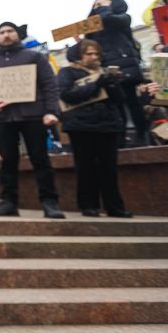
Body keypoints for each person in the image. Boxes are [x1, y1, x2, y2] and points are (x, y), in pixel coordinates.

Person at [0, 22, 65, 219]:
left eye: (10, 31)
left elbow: (49, 86)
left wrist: (51, 111)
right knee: (8, 162)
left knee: (40, 160)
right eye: (1, 32)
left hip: (33, 116)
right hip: (3, 119)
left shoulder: (35, 57)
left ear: (17, 34)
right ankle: (9, 202)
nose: (6, 35)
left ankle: (49, 203)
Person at [57, 39, 131, 217]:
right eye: (89, 53)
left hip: (108, 125)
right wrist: (96, 84)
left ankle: (114, 206)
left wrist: (112, 84)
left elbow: (119, 100)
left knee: (109, 168)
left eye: (96, 54)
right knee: (85, 167)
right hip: (81, 126)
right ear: (78, 55)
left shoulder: (104, 72)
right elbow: (67, 95)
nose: (93, 57)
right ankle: (88, 205)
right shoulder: (67, 72)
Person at [84, 0, 147, 145]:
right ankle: (121, 140)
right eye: (96, 0)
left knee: (133, 103)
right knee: (115, 105)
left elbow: (108, 20)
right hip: (106, 69)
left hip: (125, 67)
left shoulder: (123, 17)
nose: (98, 1)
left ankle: (142, 137)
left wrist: (104, 8)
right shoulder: (94, 23)